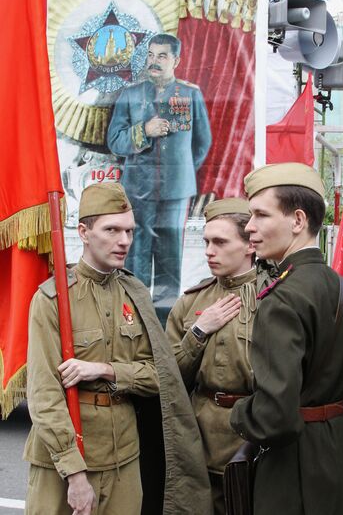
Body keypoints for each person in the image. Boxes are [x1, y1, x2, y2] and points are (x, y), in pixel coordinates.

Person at [24, 182, 212, 515]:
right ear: (83, 231)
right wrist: (75, 473)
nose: (124, 241)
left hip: (123, 456)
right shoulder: (53, 299)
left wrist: (106, 370)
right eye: (111, 230)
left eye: (128, 231)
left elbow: (161, 376)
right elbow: (43, 395)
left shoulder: (134, 292)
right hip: (63, 461)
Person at [230, 163, 343, 515]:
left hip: (295, 471)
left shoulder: (283, 297)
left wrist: (238, 413)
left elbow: (274, 417)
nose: (249, 227)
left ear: (297, 220)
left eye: (261, 215)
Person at [107, 33, 212, 326]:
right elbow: (114, 141)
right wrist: (144, 131)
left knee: (169, 260)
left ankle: (165, 328)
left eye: (162, 56)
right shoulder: (130, 94)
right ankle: (134, 324)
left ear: (176, 60)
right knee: (135, 256)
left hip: (175, 193)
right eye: (151, 55)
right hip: (137, 190)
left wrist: (178, 172)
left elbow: (202, 143)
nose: (154, 62)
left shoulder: (190, 94)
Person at [167, 198, 257, 514]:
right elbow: (168, 378)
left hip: (250, 443)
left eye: (220, 241)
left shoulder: (274, 298)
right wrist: (199, 332)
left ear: (250, 245)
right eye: (206, 241)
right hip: (197, 445)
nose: (208, 250)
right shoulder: (190, 303)